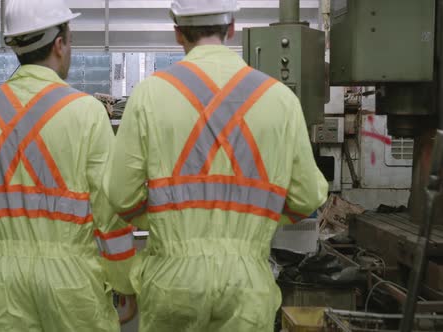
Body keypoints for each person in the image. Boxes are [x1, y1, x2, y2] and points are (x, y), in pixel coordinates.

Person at [103, 0, 329, 331]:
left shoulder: (149, 95)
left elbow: (122, 197)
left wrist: (171, 220)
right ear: (232, 27)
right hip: (246, 284)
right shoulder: (280, 98)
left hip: (173, 283)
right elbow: (307, 197)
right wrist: (256, 219)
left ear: (178, 33)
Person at [0, 0, 135, 330]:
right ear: (60, 44)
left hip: (7, 282)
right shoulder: (87, 112)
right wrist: (123, 279)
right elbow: (110, 208)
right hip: (74, 283)